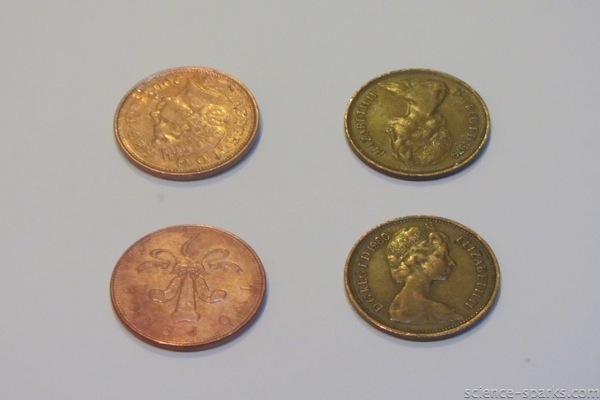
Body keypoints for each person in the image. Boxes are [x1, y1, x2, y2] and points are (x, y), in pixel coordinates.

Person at [386, 225, 463, 324]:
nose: (451, 262)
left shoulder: (396, 305)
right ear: (419, 260)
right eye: (442, 255)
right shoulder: (438, 312)